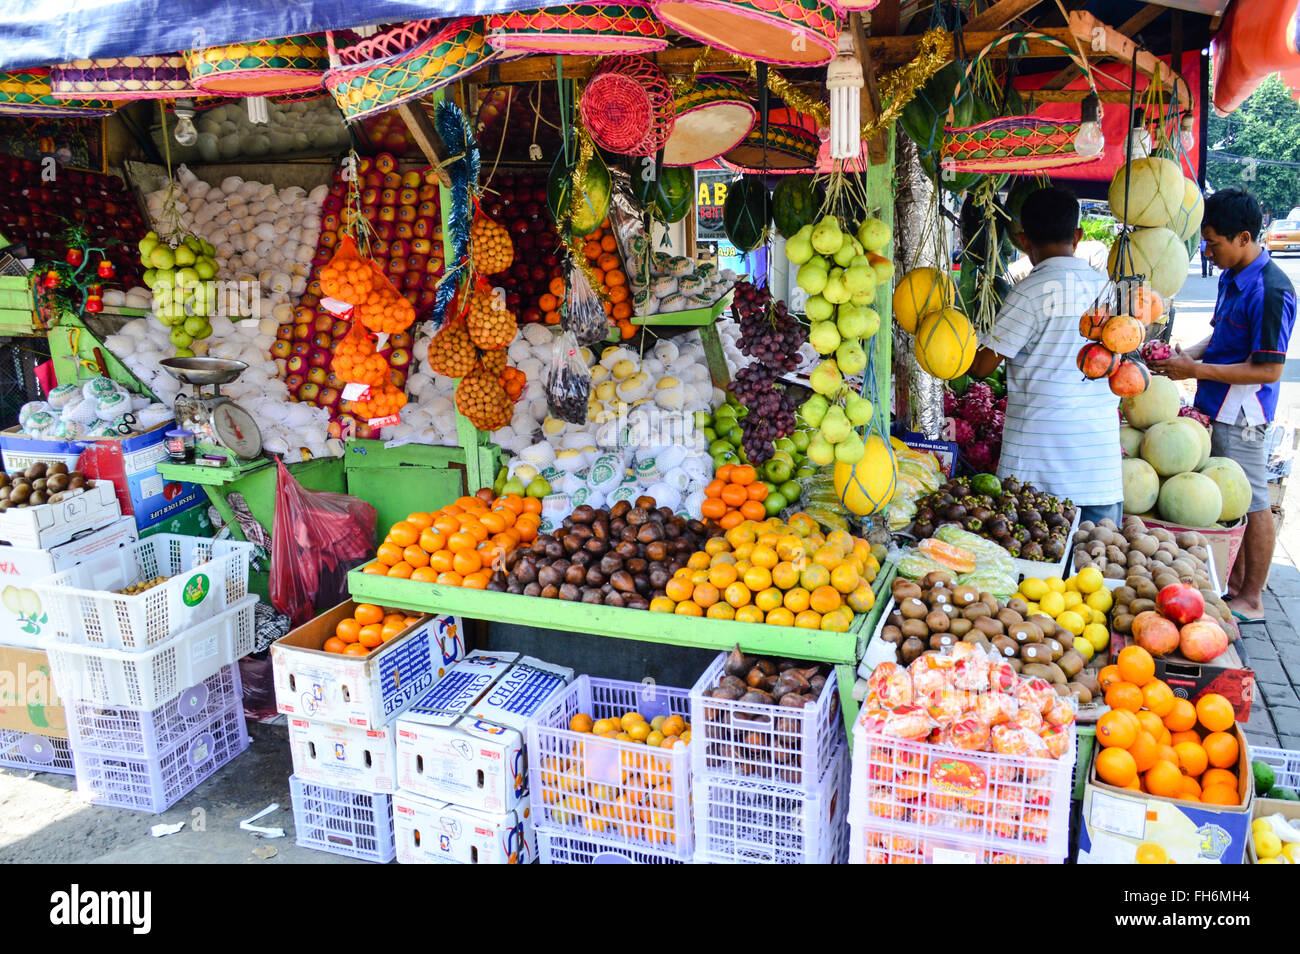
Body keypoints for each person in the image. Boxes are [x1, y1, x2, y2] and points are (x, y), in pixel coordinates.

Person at [1151, 187, 1295, 622]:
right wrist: (1188, 357)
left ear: (1244, 238)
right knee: (1230, 503)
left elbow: (1267, 370)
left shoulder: (1272, 290)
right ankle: (1233, 586)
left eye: (1214, 243)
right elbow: (1221, 336)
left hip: (1244, 415)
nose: (1208, 252)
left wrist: (1195, 371)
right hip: (1216, 402)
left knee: (1251, 502)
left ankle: (1253, 597)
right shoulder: (1233, 276)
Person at [968, 186, 1123, 527]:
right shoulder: (1107, 290)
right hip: (1097, 467)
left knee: (1036, 572)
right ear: (1078, 235)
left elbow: (981, 367)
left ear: (1024, 241)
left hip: (1035, 473)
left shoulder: (1029, 292)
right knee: (1096, 572)